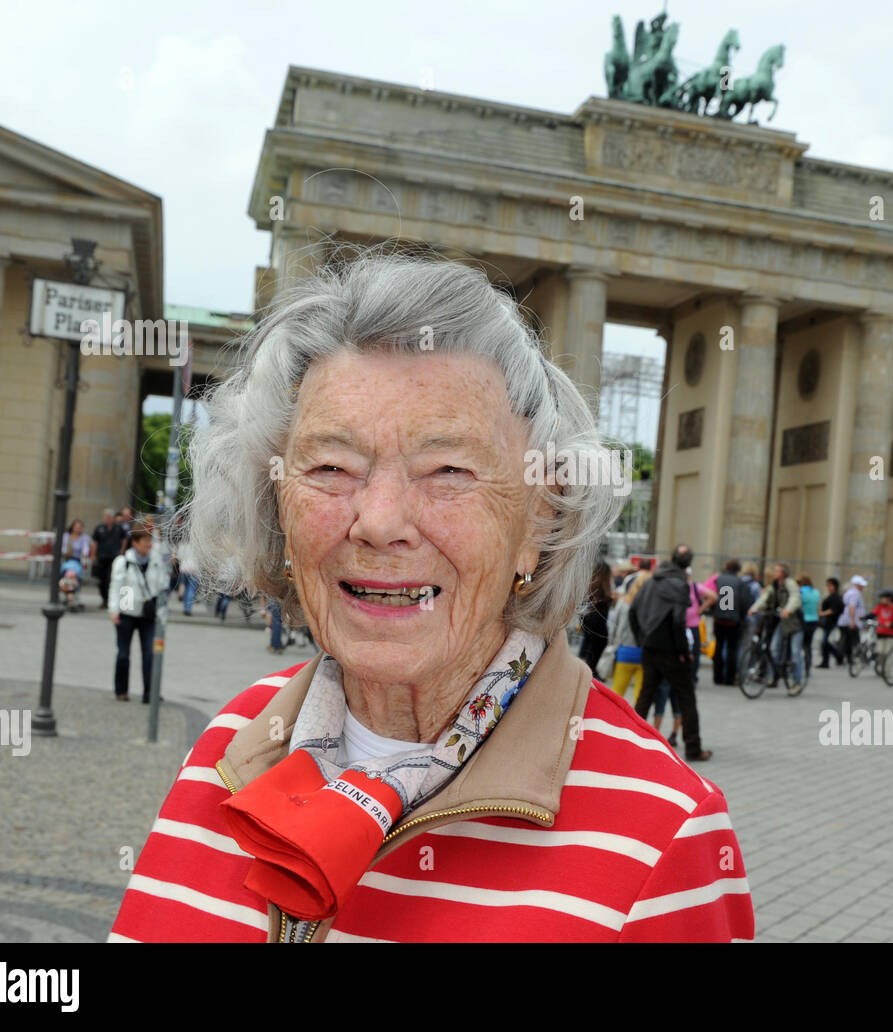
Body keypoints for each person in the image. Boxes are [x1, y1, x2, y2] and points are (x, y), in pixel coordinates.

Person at [112, 254, 749, 942]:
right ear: (277, 511)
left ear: (541, 518)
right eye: (332, 467)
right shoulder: (225, 746)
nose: (380, 521)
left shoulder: (667, 839)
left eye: (449, 469)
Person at [632, 544, 713, 761]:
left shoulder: (652, 581)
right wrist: (683, 651)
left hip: (650, 646)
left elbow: (633, 610)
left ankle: (630, 744)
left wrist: (642, 639)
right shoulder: (679, 584)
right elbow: (678, 620)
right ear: (688, 564)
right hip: (670, 650)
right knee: (686, 697)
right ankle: (693, 748)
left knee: (645, 696)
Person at [108, 528, 168, 703]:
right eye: (145, 542)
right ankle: (121, 690)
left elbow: (161, 585)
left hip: (147, 613)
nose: (148, 545)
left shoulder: (156, 560)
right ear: (135, 542)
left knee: (150, 653)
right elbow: (116, 586)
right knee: (123, 654)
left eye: (150, 541)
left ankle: (150, 693)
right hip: (126, 611)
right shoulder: (123, 561)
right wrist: (114, 610)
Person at [748, 562, 803, 693]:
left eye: (777, 571)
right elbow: (765, 597)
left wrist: (788, 609)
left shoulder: (790, 583)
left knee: (795, 653)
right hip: (782, 622)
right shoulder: (773, 586)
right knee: (773, 649)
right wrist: (755, 608)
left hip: (795, 623)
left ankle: (797, 682)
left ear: (783, 573)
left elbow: (795, 597)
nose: (774, 573)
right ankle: (773, 676)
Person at [601, 567, 650, 701]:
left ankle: (612, 719)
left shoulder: (624, 603)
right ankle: (638, 720)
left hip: (625, 650)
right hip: (645, 653)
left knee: (616, 692)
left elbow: (613, 627)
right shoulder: (652, 605)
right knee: (639, 696)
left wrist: (612, 645)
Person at [708, 559, 745, 686]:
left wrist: (714, 611)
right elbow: (743, 601)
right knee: (732, 649)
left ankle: (717, 677)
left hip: (719, 618)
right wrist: (742, 616)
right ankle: (729, 678)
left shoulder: (718, 579)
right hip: (733, 620)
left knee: (718, 647)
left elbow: (711, 595)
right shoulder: (739, 582)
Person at [577, 560, 614, 672]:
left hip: (587, 618)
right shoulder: (605, 589)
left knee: (586, 646)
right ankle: (590, 672)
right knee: (595, 650)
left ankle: (583, 669)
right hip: (598, 621)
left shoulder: (589, 585)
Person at [838, 574, 867, 662]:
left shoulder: (849, 592)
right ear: (857, 585)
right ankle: (843, 657)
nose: (863, 587)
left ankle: (845, 658)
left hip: (845, 620)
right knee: (851, 641)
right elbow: (852, 607)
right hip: (850, 621)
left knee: (846, 641)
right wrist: (853, 621)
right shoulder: (855, 593)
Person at [816, 576, 844, 668]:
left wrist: (822, 613)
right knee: (825, 642)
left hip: (831, 622)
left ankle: (837, 656)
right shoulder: (830, 596)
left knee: (825, 642)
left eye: (829, 585)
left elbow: (833, 610)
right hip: (827, 622)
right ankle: (829, 659)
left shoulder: (836, 597)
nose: (828, 587)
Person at [90, 508, 116, 608]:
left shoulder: (118, 528)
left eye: (109, 517)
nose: (108, 519)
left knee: (110, 579)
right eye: (106, 517)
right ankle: (104, 598)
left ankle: (110, 599)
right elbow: (94, 542)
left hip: (113, 557)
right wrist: (93, 554)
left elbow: (124, 539)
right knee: (101, 579)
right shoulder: (99, 528)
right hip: (101, 557)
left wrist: (121, 551)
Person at [796, 573, 820, 675]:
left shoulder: (800, 592)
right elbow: (818, 607)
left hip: (803, 620)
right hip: (814, 620)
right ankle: (808, 667)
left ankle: (797, 667)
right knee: (808, 645)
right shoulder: (816, 592)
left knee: (798, 645)